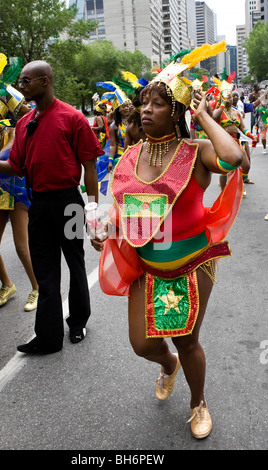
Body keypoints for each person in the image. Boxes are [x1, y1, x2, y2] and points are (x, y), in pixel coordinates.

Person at [92, 42, 244, 439]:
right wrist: (106, 231)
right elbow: (126, 214)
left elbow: (234, 158)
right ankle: (168, 364)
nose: (146, 110)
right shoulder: (131, 155)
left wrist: (203, 116)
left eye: (158, 104)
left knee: (187, 337)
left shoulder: (197, 152)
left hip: (192, 262)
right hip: (147, 264)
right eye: (144, 103)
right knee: (142, 344)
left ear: (177, 112)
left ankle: (198, 403)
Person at [0, 60, 104, 354]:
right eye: (21, 81)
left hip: (68, 201)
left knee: (75, 262)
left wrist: (93, 211)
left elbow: (90, 168)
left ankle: (78, 321)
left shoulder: (73, 118)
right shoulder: (24, 123)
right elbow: (14, 167)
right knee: (45, 271)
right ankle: (48, 336)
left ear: (45, 81)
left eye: (26, 80)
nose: (21, 85)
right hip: (38, 204)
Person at [0, 54, 39, 311]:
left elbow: (5, 158)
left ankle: (37, 288)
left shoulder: (14, 131)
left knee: (22, 248)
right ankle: (7, 284)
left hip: (18, 194)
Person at [212, 79, 257, 194]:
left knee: (246, 165)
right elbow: (213, 117)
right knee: (224, 169)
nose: (229, 99)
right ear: (221, 98)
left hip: (236, 142)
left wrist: (251, 135)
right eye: (227, 97)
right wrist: (222, 104)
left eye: (230, 97)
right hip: (224, 144)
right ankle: (223, 191)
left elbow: (242, 127)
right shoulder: (219, 111)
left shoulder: (236, 113)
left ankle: (240, 186)